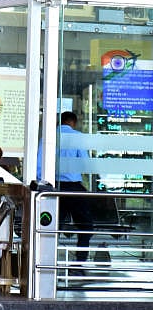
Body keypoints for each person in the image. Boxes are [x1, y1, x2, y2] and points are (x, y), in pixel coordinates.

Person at [37, 111, 93, 271]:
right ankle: (79, 264)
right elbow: (85, 163)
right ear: (73, 122)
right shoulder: (77, 137)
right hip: (74, 188)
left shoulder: (48, 136)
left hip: (54, 187)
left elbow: (40, 164)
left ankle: (47, 262)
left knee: (53, 226)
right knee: (86, 225)